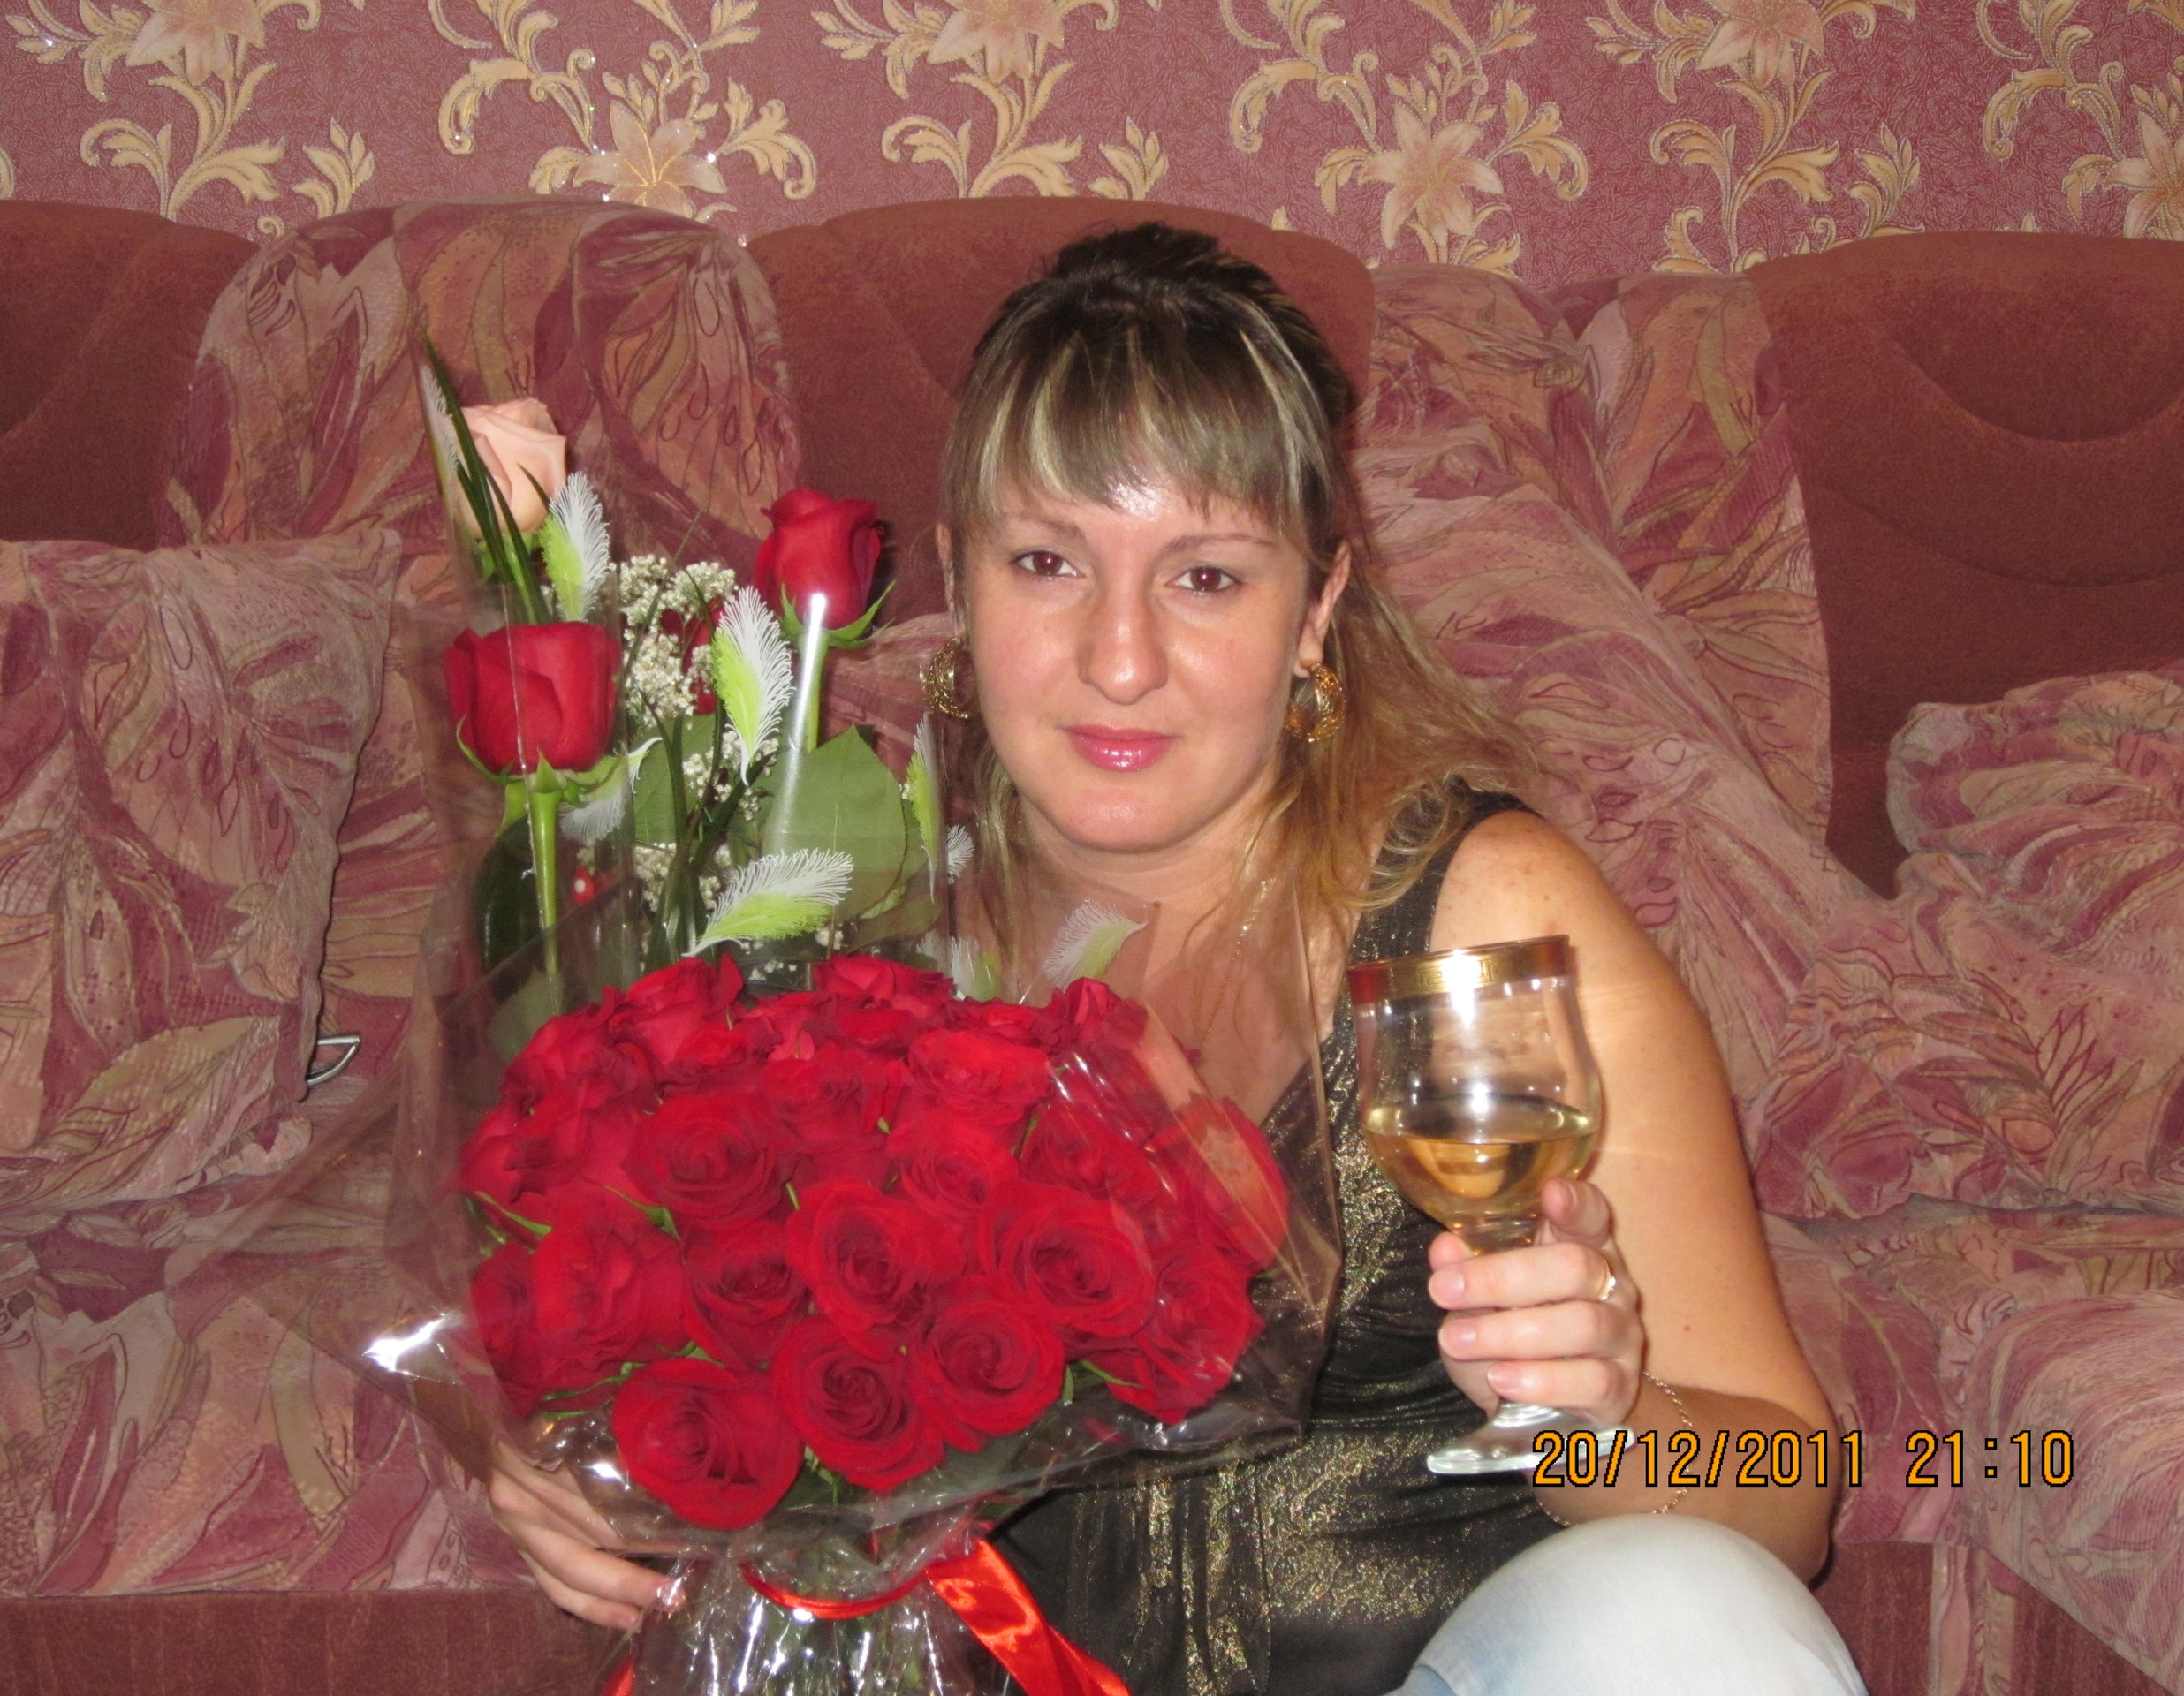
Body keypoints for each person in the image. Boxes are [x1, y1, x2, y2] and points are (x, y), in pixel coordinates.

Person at [488, 223, 1866, 1696]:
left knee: (1684, 1611)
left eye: (1205, 577)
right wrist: (561, 1451)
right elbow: (596, 1291)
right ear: (958, 578)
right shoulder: (839, 917)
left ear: (1317, 610)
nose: (1121, 658)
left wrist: (1608, 1418)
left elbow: (1786, 1498)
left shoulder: (1483, 918)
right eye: (1047, 563)